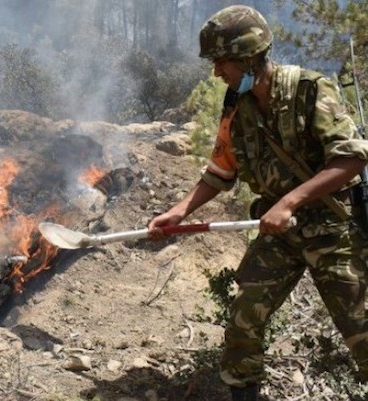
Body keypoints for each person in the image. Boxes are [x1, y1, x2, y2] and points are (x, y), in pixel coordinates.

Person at [147, 5, 368, 401]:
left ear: (250, 57)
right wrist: (181, 210)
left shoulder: (310, 90)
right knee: (243, 317)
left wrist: (290, 201)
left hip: (332, 229)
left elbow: (351, 158)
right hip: (279, 232)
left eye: (222, 63)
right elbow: (220, 170)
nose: (217, 73)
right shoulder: (236, 106)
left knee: (361, 329)